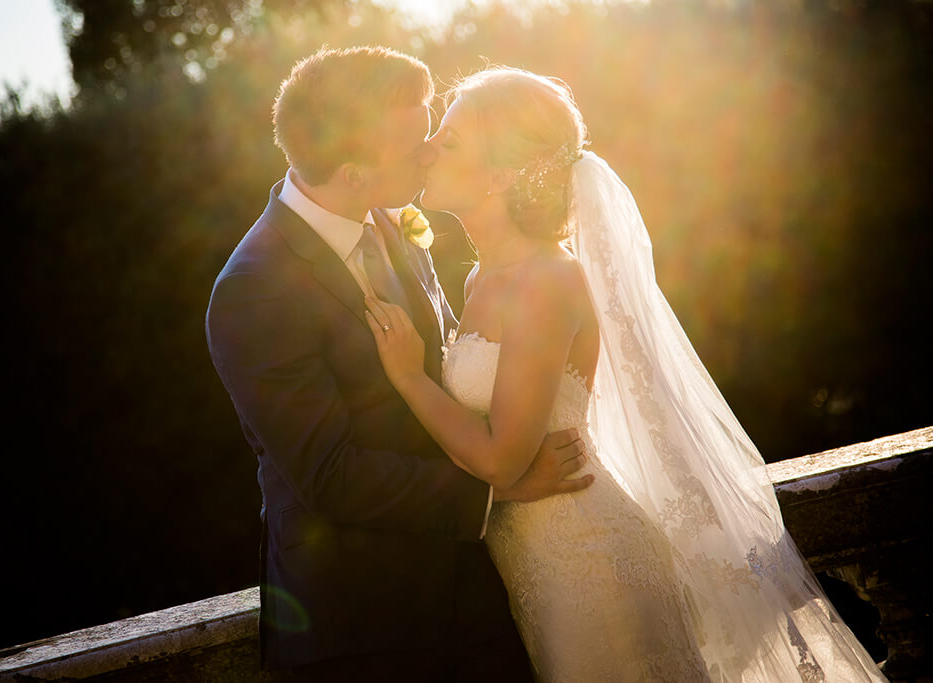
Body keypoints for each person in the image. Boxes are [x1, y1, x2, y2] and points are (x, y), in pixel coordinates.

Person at [365, 66, 888, 681]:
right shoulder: (484, 277)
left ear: (501, 176)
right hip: (535, 561)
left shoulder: (544, 282)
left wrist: (409, 379)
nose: (427, 149)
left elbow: (504, 458)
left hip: (589, 563)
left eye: (448, 140)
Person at [205, 47, 592, 682]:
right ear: (355, 172)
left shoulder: (390, 223)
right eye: (417, 142)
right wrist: (500, 491)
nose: (431, 152)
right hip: (361, 627)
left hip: (472, 594)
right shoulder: (255, 288)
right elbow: (328, 475)